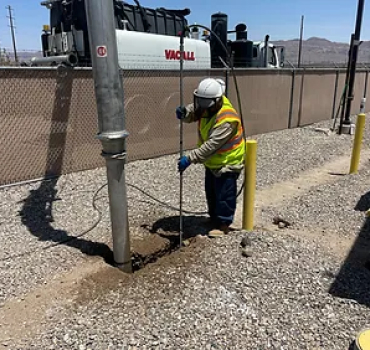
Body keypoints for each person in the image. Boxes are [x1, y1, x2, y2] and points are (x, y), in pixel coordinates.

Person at [176, 77, 245, 237]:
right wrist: (185, 113)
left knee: (224, 194)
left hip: (228, 162)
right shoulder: (208, 104)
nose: (203, 108)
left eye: (206, 105)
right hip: (212, 162)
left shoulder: (227, 120)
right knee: (211, 192)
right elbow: (195, 111)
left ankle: (224, 224)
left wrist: (190, 158)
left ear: (217, 101)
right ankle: (213, 218)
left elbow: (211, 145)